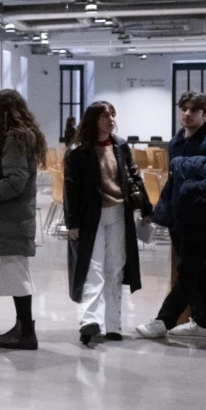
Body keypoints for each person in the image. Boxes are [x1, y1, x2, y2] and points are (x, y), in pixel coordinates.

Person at [137, 91, 206, 339]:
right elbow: (174, 181)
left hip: (203, 217)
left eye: (193, 110)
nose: (187, 114)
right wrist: (161, 212)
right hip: (179, 217)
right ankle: (203, 323)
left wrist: (198, 182)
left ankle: (164, 321)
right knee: (195, 270)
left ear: (205, 113)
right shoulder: (176, 142)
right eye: (184, 109)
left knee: (188, 270)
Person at [66, 101, 144, 344]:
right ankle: (89, 320)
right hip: (91, 217)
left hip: (120, 213)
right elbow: (71, 188)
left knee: (116, 266)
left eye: (113, 114)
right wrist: (73, 223)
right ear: (93, 120)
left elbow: (132, 176)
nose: (111, 119)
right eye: (105, 115)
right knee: (93, 267)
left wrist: (147, 207)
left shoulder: (120, 145)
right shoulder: (79, 151)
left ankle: (113, 324)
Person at [0, 90, 46, 350]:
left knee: (17, 277)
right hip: (11, 221)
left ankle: (26, 332)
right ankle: (22, 327)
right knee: (17, 277)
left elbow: (15, 180)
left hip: (10, 221)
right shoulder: (19, 136)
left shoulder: (14, 138)